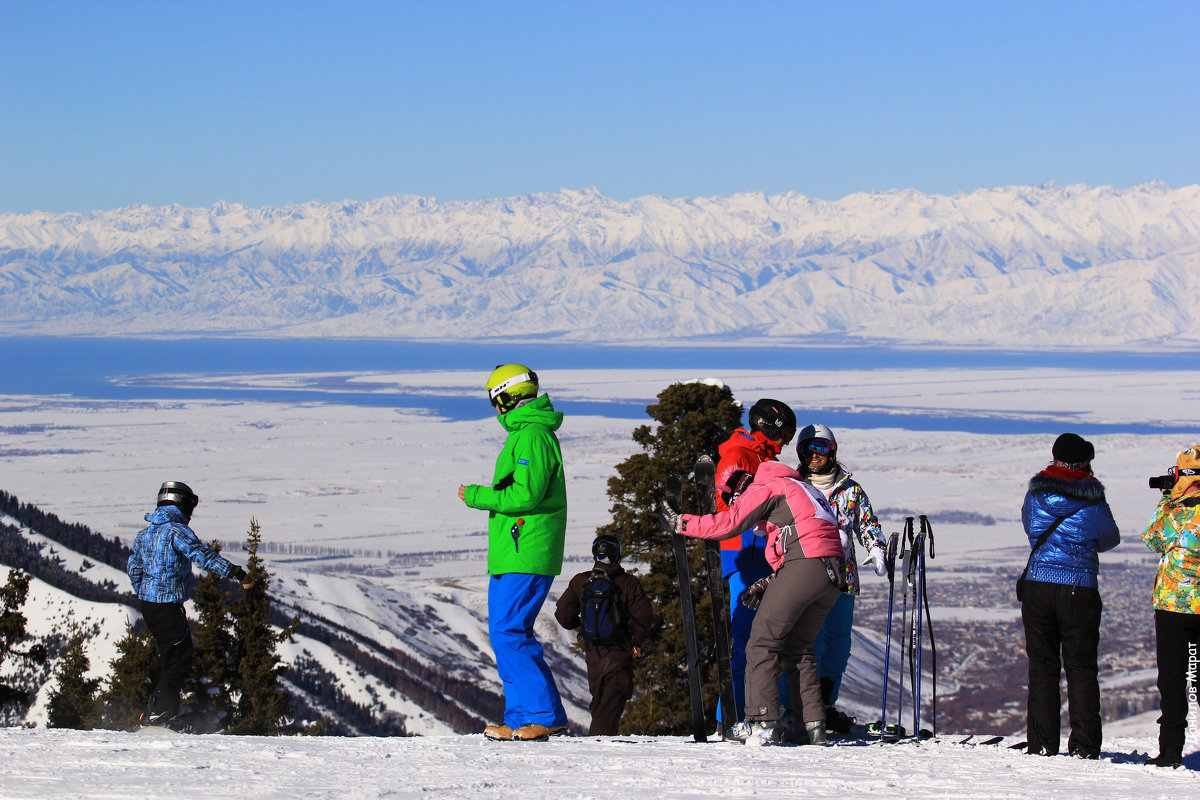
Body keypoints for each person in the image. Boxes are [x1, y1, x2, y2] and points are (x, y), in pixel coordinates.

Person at [661, 458, 843, 746]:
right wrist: (771, 582)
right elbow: (812, 538)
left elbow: (731, 523)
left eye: (734, 497)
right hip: (832, 573)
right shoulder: (804, 489)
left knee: (761, 642)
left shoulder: (766, 486)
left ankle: (763, 722)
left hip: (805, 563)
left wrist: (681, 522)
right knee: (799, 647)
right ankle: (812, 726)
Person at [459, 363, 570, 742]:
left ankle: (543, 714)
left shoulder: (534, 436)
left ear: (508, 395)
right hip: (515, 549)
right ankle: (521, 716)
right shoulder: (524, 435)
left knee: (510, 632)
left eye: (495, 399)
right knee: (505, 633)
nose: (495, 409)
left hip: (528, 549)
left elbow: (526, 494)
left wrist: (477, 496)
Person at [1019, 433, 1119, 758]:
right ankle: (1085, 746)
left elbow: (1031, 528)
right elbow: (1109, 538)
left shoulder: (1036, 494)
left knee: (1042, 666)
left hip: (1038, 585)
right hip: (1079, 587)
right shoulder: (1092, 498)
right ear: (1086, 462)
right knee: (1080, 667)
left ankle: (1042, 744)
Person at [127, 481, 252, 729]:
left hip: (150, 606)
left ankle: (157, 711)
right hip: (167, 605)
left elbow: (134, 568)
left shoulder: (145, 534)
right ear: (180, 505)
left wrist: (144, 592)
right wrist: (237, 573)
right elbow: (202, 557)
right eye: (189, 507)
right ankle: (160, 715)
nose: (190, 514)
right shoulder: (176, 532)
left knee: (170, 656)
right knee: (179, 658)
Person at [796, 424, 888, 733]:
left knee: (837, 644)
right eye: (808, 449)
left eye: (820, 449)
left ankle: (825, 704)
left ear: (832, 451)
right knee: (809, 643)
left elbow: (866, 522)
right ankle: (794, 705)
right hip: (805, 576)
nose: (814, 456)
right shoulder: (793, 487)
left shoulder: (850, 490)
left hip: (843, 579)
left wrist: (876, 547)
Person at [713, 399, 796, 723]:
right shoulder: (740, 455)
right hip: (745, 554)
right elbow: (735, 504)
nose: (786, 441)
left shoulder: (759, 456)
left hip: (760, 555)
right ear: (769, 426)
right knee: (748, 641)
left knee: (765, 640)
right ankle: (730, 719)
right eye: (786, 433)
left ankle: (752, 714)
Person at [554, 534, 654, 735]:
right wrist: (637, 643)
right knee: (608, 710)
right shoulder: (628, 583)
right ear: (617, 554)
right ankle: (597, 750)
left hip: (593, 655)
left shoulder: (580, 581)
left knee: (600, 704)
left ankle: (599, 747)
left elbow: (563, 615)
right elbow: (644, 617)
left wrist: (582, 626)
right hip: (619, 653)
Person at [1141, 445, 1200, 769]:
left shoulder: (1177, 512)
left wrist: (1167, 498)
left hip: (1175, 606)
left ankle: (1171, 751)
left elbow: (1152, 539)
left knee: (1174, 680)